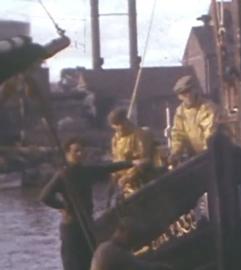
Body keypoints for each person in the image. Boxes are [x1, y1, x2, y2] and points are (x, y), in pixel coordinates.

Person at [39, 137, 144, 270]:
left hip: (87, 221)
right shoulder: (63, 174)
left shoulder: (86, 171)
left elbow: (107, 168)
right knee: (73, 262)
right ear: (67, 154)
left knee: (89, 258)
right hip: (72, 225)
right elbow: (45, 196)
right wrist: (64, 207)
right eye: (76, 151)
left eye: (82, 151)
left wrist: (131, 163)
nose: (80, 154)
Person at [168, 75, 219, 165]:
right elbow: (178, 135)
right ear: (179, 96)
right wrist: (175, 152)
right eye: (183, 93)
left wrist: (205, 154)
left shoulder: (207, 108)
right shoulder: (180, 112)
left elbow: (210, 132)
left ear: (195, 90)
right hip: (195, 156)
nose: (187, 96)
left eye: (188, 91)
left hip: (213, 156)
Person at [90, 218, 171, 270]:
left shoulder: (105, 247)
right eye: (132, 235)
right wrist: (161, 267)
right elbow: (141, 267)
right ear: (123, 232)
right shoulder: (112, 251)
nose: (132, 241)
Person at [108, 108, 154, 198]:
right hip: (124, 185)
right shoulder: (115, 139)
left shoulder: (140, 135)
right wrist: (113, 180)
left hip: (140, 181)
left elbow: (144, 160)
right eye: (115, 126)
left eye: (119, 125)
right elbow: (116, 160)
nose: (117, 128)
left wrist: (129, 177)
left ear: (125, 121)